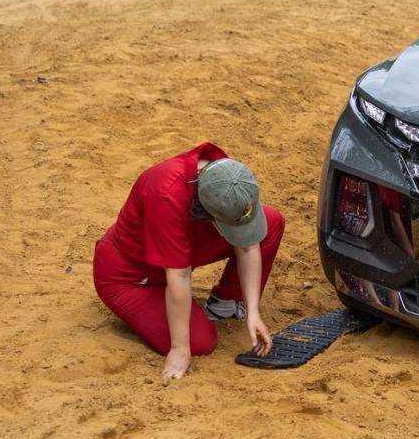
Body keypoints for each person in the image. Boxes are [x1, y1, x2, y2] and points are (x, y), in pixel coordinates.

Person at [93, 142, 283, 378]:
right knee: (201, 342)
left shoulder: (226, 176)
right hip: (132, 277)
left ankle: (224, 305)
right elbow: (179, 275)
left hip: (179, 253)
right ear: (204, 212)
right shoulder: (165, 195)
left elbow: (249, 243)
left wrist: (253, 310)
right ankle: (170, 321)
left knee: (271, 222)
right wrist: (180, 350)